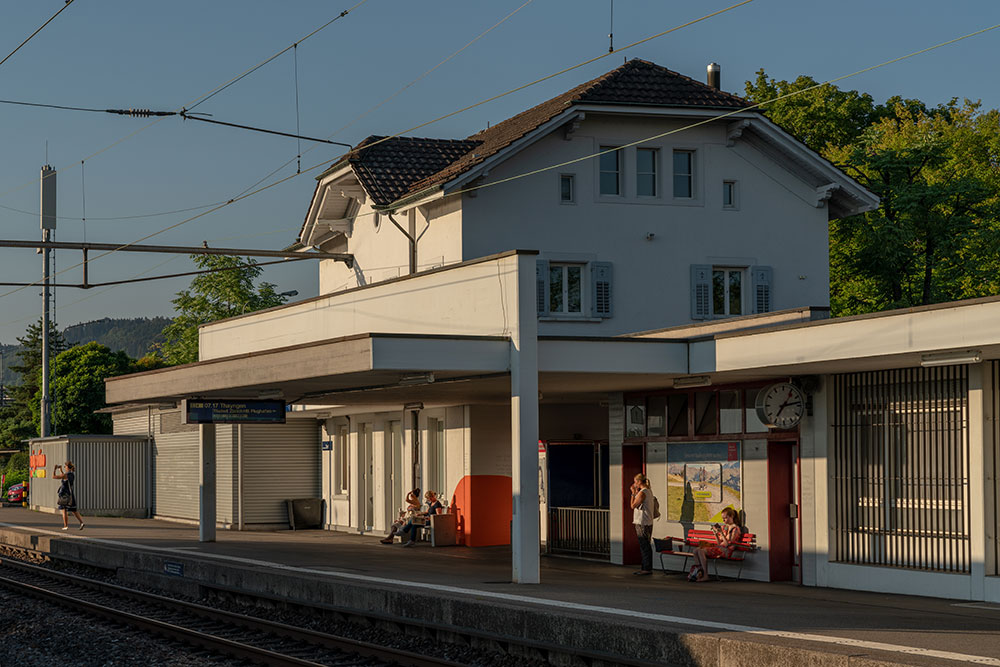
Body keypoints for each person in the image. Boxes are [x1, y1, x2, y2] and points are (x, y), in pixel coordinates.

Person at [689, 507, 742, 582]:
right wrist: (716, 534)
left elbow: (727, 545)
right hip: (720, 548)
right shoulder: (725, 527)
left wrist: (721, 533)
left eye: (725, 518)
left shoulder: (735, 529)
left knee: (701, 551)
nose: (724, 520)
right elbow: (719, 543)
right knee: (695, 550)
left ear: (732, 516)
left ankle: (705, 575)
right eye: (723, 518)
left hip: (726, 551)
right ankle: (699, 573)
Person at [630, 473, 654, 575]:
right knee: (646, 544)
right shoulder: (649, 491)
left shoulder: (642, 493)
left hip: (642, 522)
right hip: (648, 522)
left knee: (644, 545)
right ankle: (646, 567)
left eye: (635, 481)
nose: (634, 484)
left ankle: (646, 568)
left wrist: (633, 493)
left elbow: (633, 505)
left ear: (639, 482)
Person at [52, 461, 84, 531]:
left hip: (64, 494)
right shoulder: (71, 474)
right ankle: (81, 522)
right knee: (73, 510)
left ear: (67, 467)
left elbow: (54, 477)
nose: (64, 468)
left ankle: (65, 525)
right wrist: (60, 470)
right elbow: (64, 477)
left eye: (65, 467)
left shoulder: (66, 475)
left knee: (64, 510)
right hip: (70, 494)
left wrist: (54, 469)